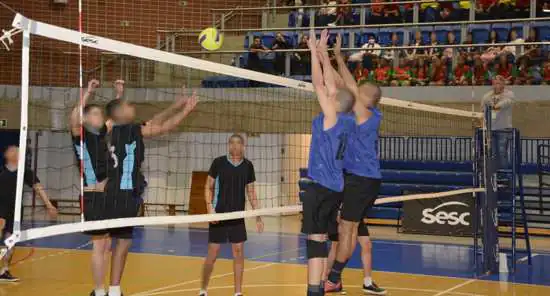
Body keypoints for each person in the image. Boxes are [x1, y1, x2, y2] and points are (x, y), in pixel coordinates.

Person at [102, 83, 198, 296]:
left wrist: (175, 105)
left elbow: (153, 121)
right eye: (128, 104)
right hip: (126, 194)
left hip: (107, 193)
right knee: (122, 242)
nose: (132, 105)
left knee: (104, 242)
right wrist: (185, 110)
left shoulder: (110, 131)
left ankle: (102, 290)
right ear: (121, 113)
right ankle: (114, 289)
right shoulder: (131, 130)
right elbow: (163, 127)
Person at [328, 33, 385, 295]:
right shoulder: (364, 113)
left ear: (367, 97)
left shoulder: (366, 113)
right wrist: (324, 59)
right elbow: (343, 84)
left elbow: (348, 85)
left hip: (361, 179)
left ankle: (335, 278)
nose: (355, 91)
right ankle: (335, 278)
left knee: (347, 228)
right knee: (347, 228)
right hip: (363, 179)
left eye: (360, 90)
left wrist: (339, 56)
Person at [301, 29, 355, 296]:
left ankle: (313, 291)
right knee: (322, 238)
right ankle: (320, 286)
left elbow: (319, 85)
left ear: (335, 103)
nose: (328, 95)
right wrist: (324, 54)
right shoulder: (348, 119)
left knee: (314, 241)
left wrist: (312, 51)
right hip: (335, 188)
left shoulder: (332, 117)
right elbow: (333, 88)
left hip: (319, 187)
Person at [199, 134, 264, 296]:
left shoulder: (248, 166)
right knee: (212, 254)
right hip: (218, 215)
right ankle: (203, 289)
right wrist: (210, 209)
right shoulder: (218, 162)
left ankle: (238, 292)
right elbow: (208, 186)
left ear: (243, 146)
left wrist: (258, 216)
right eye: (232, 143)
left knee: (238, 252)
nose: (235, 146)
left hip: (237, 216)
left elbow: (251, 192)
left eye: (238, 143)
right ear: (229, 146)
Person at [0, 145, 58, 282]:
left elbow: (38, 188)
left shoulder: (25, 172)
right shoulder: (2, 172)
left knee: (11, 242)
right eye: (13, 149)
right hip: (0, 210)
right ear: (7, 155)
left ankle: (4, 270)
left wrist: (49, 205)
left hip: (14, 212)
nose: (16, 151)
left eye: (18, 150)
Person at [481, 75, 515, 168]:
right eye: (495, 83)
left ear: (503, 84)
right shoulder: (487, 96)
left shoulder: (509, 94)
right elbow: (483, 109)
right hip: (490, 129)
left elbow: (506, 103)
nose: (497, 85)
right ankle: (494, 176)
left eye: (499, 83)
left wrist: (495, 105)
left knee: (502, 152)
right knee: (492, 153)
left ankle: (504, 177)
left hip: (503, 129)